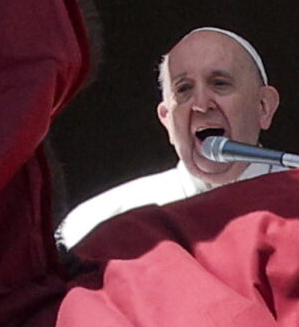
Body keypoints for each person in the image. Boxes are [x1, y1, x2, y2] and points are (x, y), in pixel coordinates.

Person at [57, 27, 284, 250]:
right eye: (184, 89)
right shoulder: (102, 221)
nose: (201, 105)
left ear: (264, 107)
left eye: (220, 83)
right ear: (167, 120)